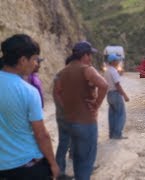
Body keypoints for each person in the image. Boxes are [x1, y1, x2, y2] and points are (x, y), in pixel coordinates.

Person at [0, 34, 59, 179]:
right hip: (26, 165)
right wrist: (53, 163)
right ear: (22, 60)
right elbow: (41, 135)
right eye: (34, 59)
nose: (36, 64)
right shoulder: (28, 91)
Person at [55, 41, 108, 180]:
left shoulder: (62, 72)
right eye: (89, 55)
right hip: (86, 123)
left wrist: (67, 106)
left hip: (70, 122)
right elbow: (104, 85)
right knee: (85, 162)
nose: (90, 58)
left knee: (77, 156)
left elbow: (57, 92)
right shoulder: (87, 69)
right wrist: (96, 104)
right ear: (84, 55)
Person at [53, 58, 73, 180]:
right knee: (64, 143)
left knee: (66, 142)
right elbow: (58, 95)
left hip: (63, 115)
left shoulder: (61, 75)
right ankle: (59, 173)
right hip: (65, 116)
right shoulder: (63, 76)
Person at [104, 53, 129, 139]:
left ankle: (111, 134)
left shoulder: (107, 71)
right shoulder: (113, 71)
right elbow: (117, 85)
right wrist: (125, 95)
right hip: (115, 94)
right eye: (117, 60)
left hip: (109, 94)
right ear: (113, 61)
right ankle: (117, 134)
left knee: (112, 115)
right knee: (121, 114)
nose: (118, 62)